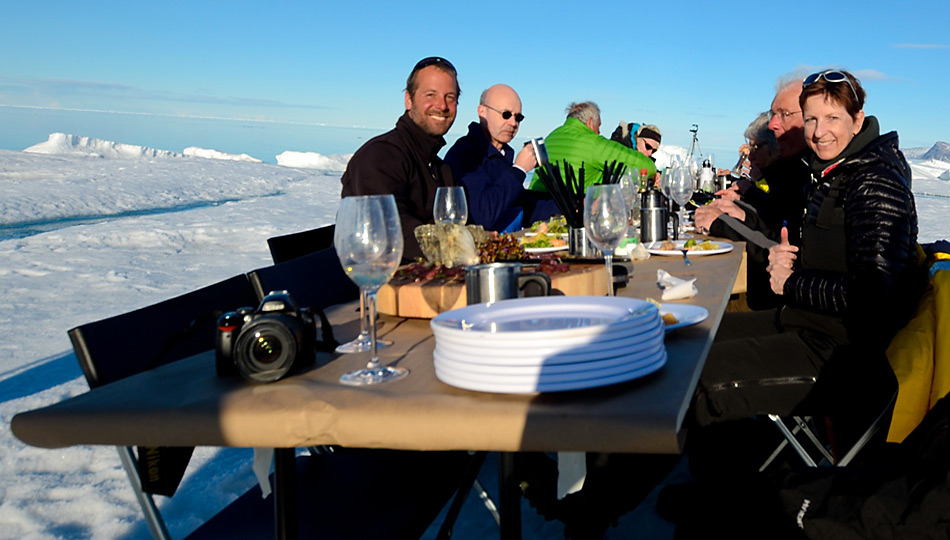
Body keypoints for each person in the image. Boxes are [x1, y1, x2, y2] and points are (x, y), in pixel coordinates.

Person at [527, 70, 925, 539]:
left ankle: (595, 505)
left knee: (685, 384)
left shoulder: (874, 182)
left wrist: (794, 281)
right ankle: (697, 495)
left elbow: (877, 296)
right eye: (812, 119)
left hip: (842, 357)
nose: (819, 131)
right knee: (672, 342)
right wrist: (784, 255)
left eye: (832, 118)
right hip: (800, 324)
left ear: (858, 119)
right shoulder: (833, 172)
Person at [340, 56, 460, 261]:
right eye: (431, 95)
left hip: (430, 280)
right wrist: (463, 247)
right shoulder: (381, 156)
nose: (442, 106)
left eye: (450, 97)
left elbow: (458, 226)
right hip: (375, 284)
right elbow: (391, 229)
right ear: (408, 99)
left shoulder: (441, 169)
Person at [444, 84, 559, 232]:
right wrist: (519, 169)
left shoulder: (502, 155)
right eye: (506, 114)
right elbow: (484, 216)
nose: (513, 123)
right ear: (482, 112)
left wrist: (577, 205)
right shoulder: (465, 154)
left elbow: (526, 207)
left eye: (518, 117)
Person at [527, 101, 656, 191]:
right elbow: (648, 167)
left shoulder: (551, 137)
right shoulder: (593, 143)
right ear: (590, 122)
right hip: (571, 215)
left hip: (536, 212)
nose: (599, 132)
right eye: (598, 126)